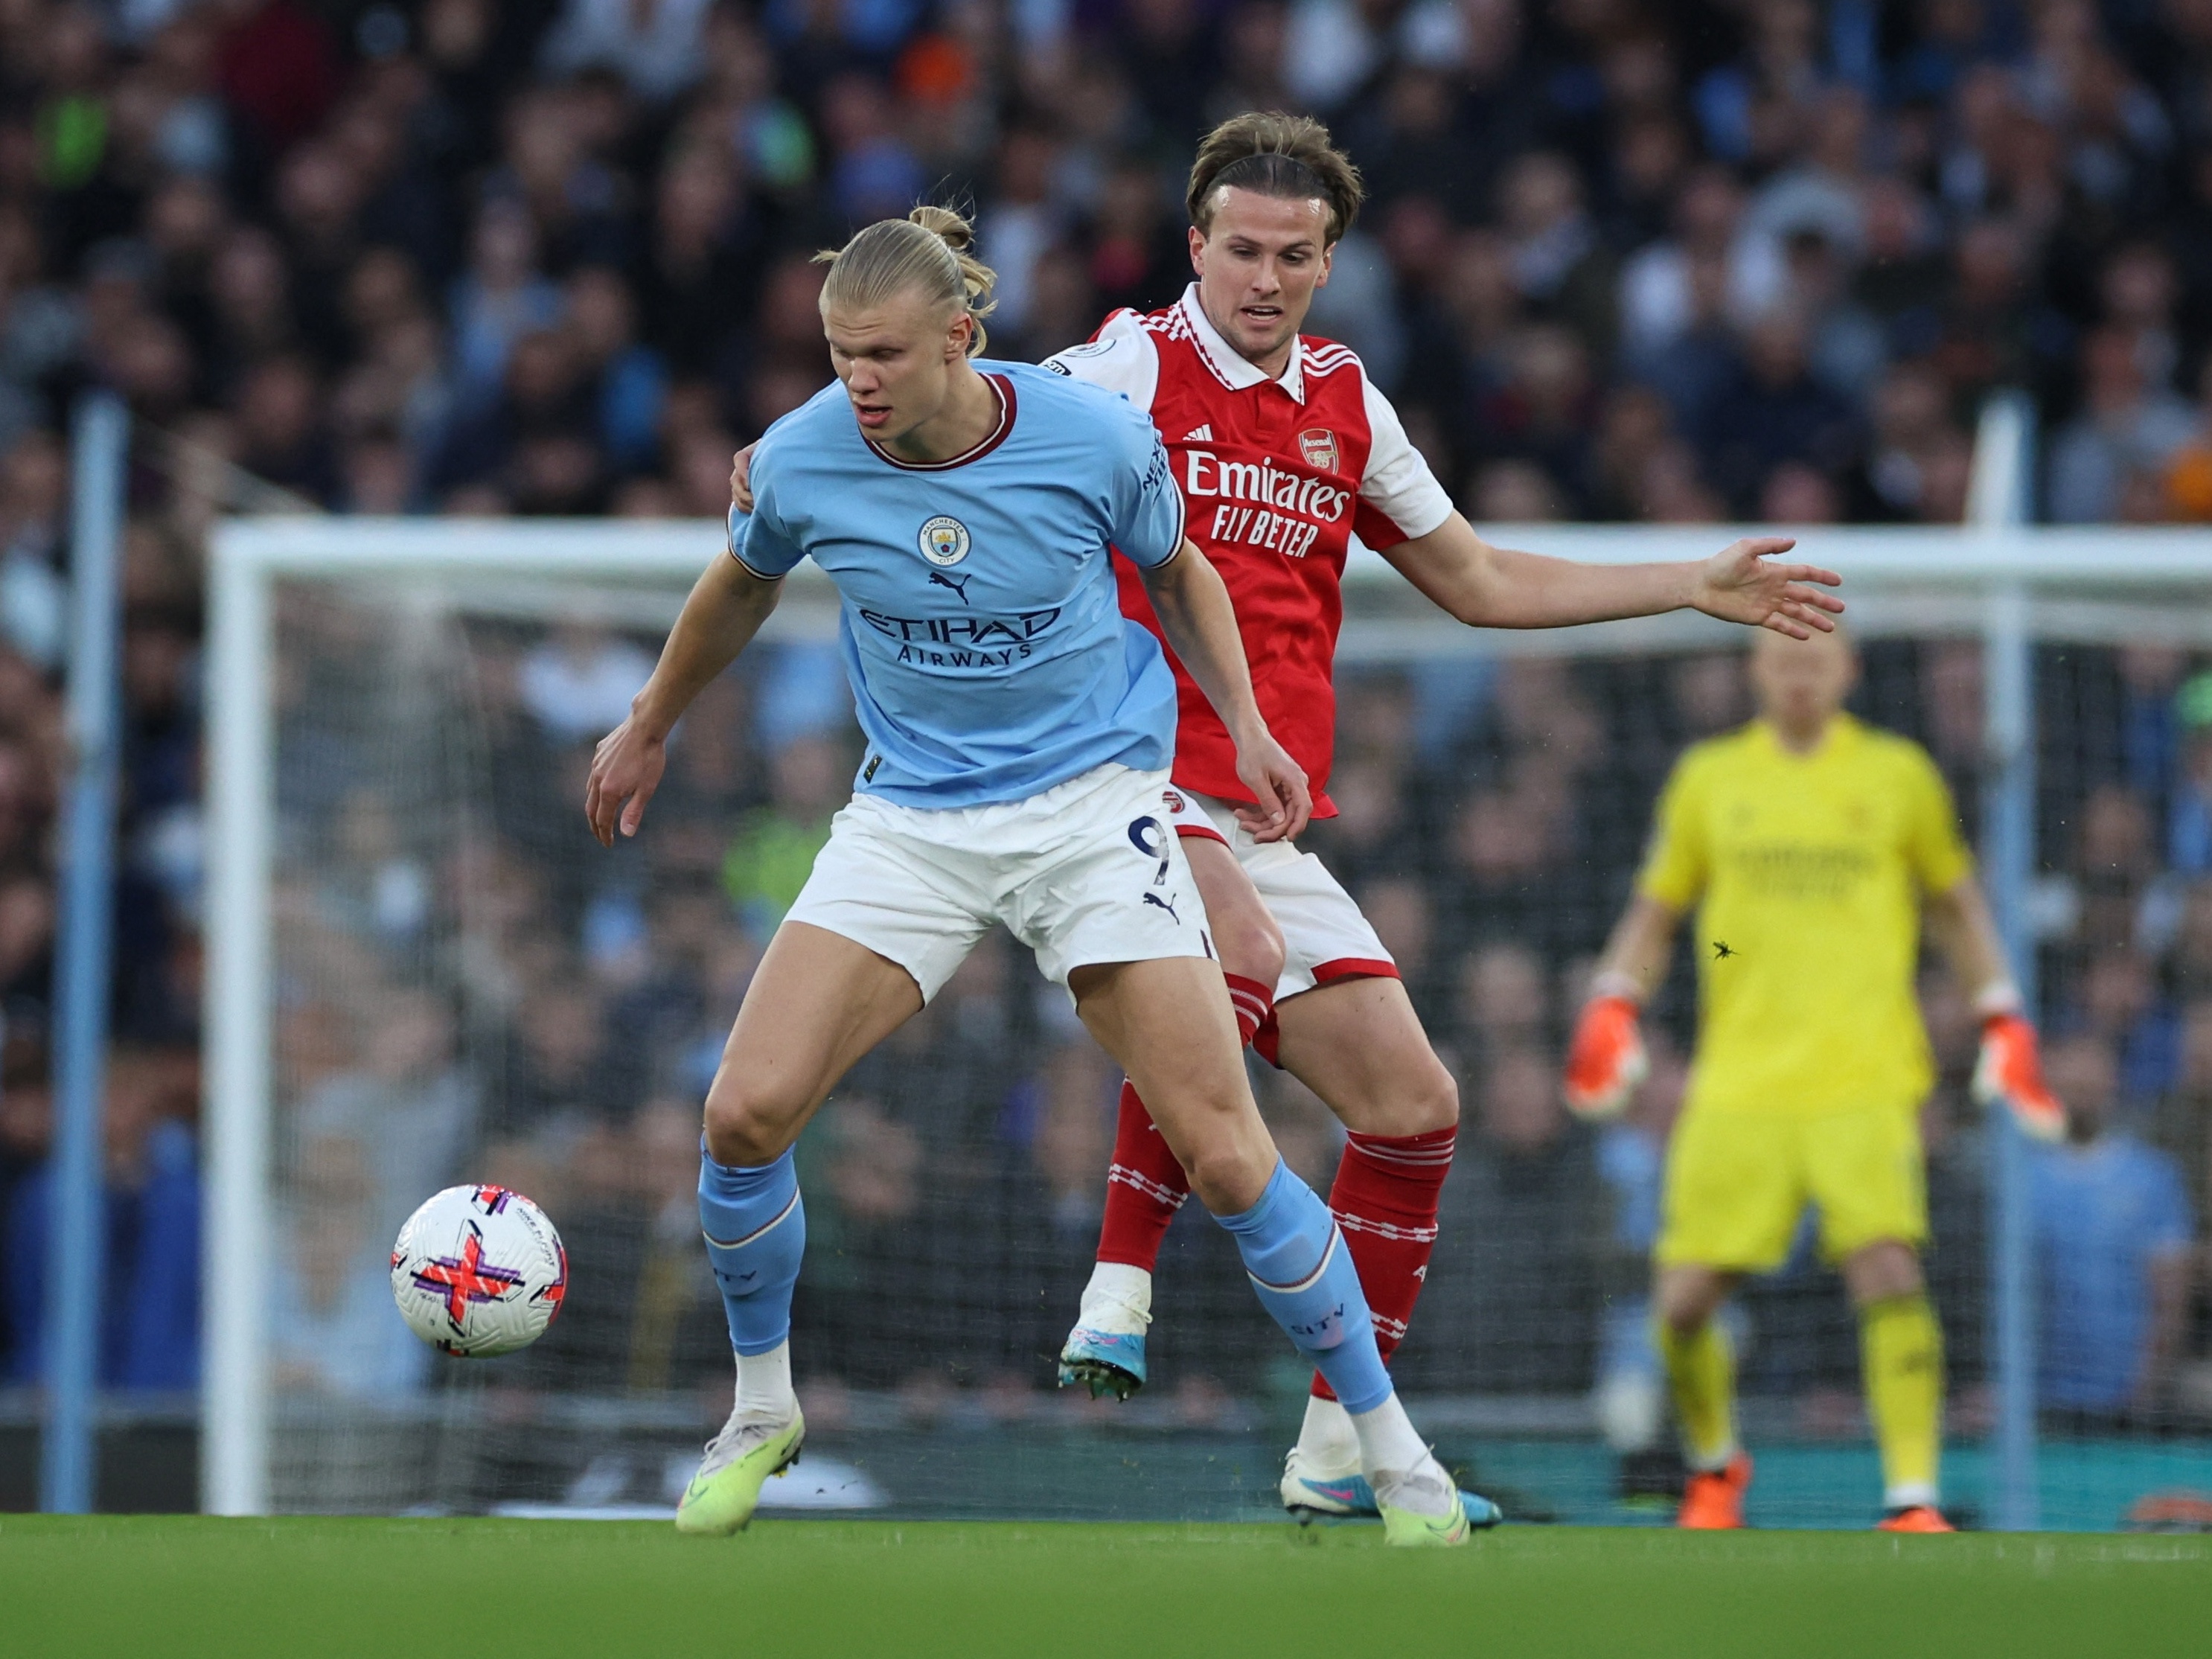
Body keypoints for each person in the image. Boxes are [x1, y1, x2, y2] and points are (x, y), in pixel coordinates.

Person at [729, 113, 1844, 1522]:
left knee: (1413, 1105)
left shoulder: (1347, 406)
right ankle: (1116, 1285)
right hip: (1122, 783)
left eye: (1294, 255)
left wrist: (1686, 583)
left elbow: (1480, 579)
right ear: (1195, 245)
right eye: (1241, 248)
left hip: (1259, 804)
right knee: (1235, 946)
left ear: (1329, 262)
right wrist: (803, 447)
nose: (1265, 276)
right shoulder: (1126, 364)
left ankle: (1332, 1451)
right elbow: (962, 401)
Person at [587, 205, 1476, 1544]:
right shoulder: (805, 455)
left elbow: (1181, 575)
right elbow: (738, 583)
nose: (859, 382)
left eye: (883, 352)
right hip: (911, 824)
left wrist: (1240, 725)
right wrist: (652, 717)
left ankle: (1392, 1455)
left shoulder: (1090, 437)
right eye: (838, 354)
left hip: (1089, 809)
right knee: (743, 1115)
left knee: (1230, 1156)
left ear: (960, 337)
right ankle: (762, 1407)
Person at [1561, 624, 2065, 1533]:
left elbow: (1954, 902)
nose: (1797, 676)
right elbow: (1654, 910)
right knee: (1679, 1304)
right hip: (1738, 1083)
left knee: (1885, 1266)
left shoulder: (1897, 775)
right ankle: (1715, 1466)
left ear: (1848, 670)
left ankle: (1911, 1497)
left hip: (1864, 1076)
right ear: (1755, 670)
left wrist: (2000, 1011)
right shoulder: (1710, 779)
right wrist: (1610, 1003)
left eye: (1814, 661)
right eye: (1781, 661)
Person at [2030, 1035, 2194, 1424]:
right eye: (2072, 1083)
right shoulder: (2022, 1179)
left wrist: (2146, 1388)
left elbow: (2171, 1293)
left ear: (2113, 1085)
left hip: (2126, 1398)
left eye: (2092, 1082)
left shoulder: (2152, 1176)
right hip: (2040, 1400)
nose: (2082, 1093)